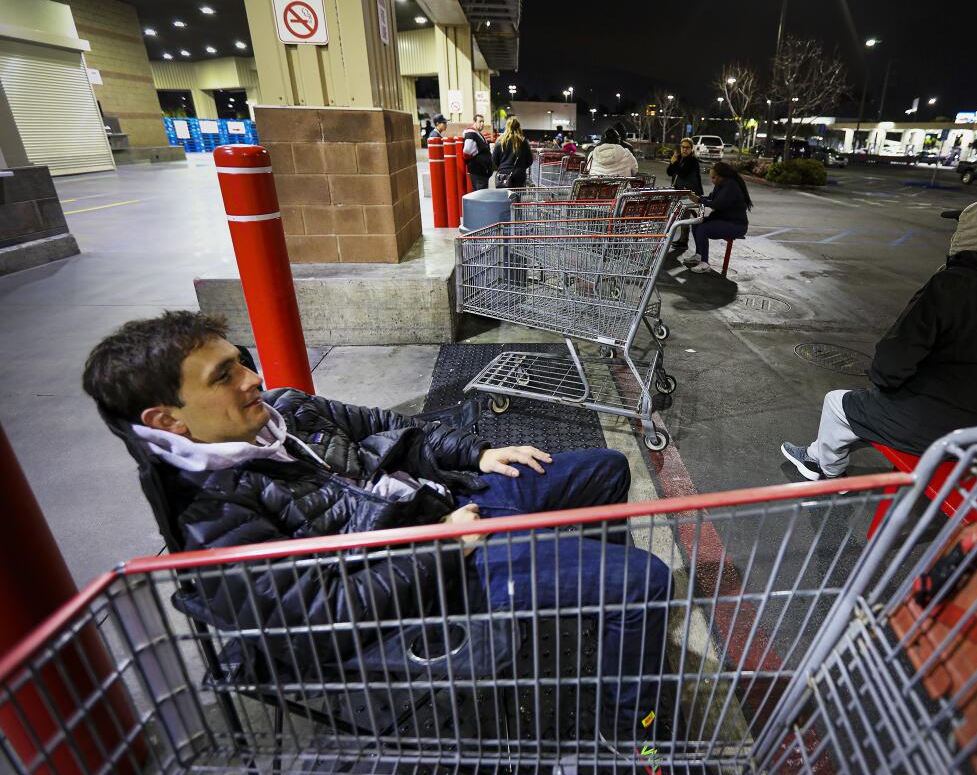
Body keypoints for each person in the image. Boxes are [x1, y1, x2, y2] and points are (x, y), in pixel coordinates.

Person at [82, 311, 673, 736]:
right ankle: (628, 728)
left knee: (605, 469)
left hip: (448, 505)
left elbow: (388, 425)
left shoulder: (285, 411)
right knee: (641, 582)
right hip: (429, 573)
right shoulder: (212, 513)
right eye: (222, 377)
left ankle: (595, 613)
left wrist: (475, 455)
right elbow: (321, 620)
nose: (250, 379)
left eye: (240, 361)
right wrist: (443, 548)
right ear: (168, 420)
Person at [781, 195, 977, 479]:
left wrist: (885, 384)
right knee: (869, 411)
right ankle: (821, 454)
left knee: (837, 403)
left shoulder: (952, 286)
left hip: (925, 423)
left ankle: (825, 469)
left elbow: (894, 359)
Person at [681, 161, 751, 273]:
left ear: (721, 176)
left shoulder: (731, 186)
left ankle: (705, 264)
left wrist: (699, 200)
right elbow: (711, 198)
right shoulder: (721, 184)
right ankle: (699, 255)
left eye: (713, 177)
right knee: (696, 223)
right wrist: (697, 198)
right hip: (724, 219)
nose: (712, 180)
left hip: (736, 225)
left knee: (703, 229)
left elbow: (717, 203)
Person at [666, 138, 703, 249]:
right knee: (683, 215)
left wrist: (675, 163)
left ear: (691, 149)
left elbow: (683, 173)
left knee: (685, 216)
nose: (684, 149)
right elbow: (669, 172)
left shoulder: (692, 161)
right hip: (681, 192)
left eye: (687, 147)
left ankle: (684, 241)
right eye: (683, 147)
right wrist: (672, 163)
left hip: (691, 193)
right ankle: (683, 240)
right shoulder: (680, 158)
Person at [492, 117, 533, 188]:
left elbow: (494, 160)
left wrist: (502, 166)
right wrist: (521, 167)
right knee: (517, 197)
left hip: (503, 176)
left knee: (503, 197)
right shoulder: (523, 142)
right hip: (519, 175)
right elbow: (530, 160)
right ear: (519, 127)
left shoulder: (500, 141)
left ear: (507, 127)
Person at [462, 113, 494, 191]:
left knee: (482, 195)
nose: (482, 124)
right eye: (480, 121)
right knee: (480, 196)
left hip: (482, 172)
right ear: (475, 122)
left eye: (483, 121)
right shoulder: (471, 132)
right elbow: (467, 151)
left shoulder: (477, 133)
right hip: (478, 172)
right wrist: (477, 153)